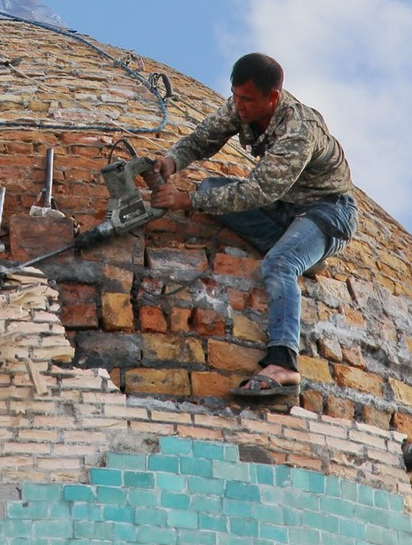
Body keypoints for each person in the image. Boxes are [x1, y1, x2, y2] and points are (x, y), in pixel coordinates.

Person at [151, 53, 357, 401]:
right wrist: (173, 160)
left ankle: (283, 364)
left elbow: (258, 190)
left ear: (272, 97)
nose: (239, 106)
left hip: (327, 213)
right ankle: (301, 247)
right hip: (286, 210)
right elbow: (204, 138)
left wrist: (184, 202)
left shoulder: (298, 132)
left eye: (247, 99)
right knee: (209, 190)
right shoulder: (241, 105)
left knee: (280, 264)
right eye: (236, 96)